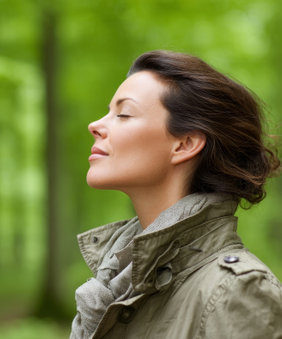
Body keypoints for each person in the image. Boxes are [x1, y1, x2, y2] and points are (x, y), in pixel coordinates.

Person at [70, 50, 282, 339]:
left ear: (185, 144)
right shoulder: (114, 285)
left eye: (123, 114)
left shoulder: (235, 292)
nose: (95, 125)